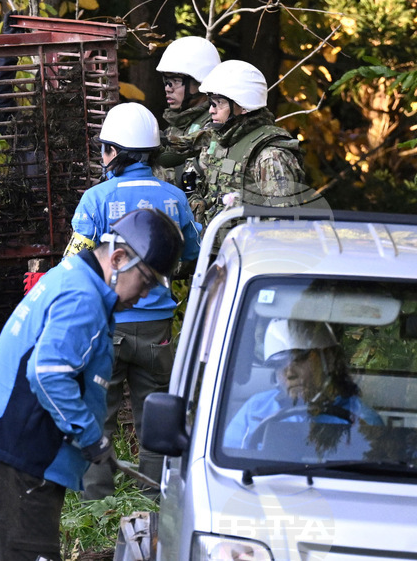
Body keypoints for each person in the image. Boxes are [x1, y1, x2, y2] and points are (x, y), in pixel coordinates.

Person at [0, 208, 184, 561]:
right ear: (120, 258)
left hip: (11, 459)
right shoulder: (82, 297)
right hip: (13, 463)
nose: (144, 296)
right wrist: (91, 437)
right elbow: (48, 374)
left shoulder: (73, 278)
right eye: (146, 282)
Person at [61, 102, 201, 499]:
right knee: (155, 414)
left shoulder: (96, 198)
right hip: (158, 328)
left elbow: (75, 262)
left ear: (116, 152)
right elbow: (192, 253)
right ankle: (155, 494)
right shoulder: (175, 198)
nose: (102, 156)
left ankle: (96, 498)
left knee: (98, 411)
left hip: (109, 326)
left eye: (105, 148)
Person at [224, 319, 383, 449]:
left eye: (298, 360)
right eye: (279, 365)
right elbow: (229, 467)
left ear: (328, 359)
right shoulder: (255, 409)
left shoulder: (362, 418)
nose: (289, 373)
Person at [183, 60, 307, 226]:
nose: (211, 110)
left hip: (248, 249)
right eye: (211, 102)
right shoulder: (220, 142)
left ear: (243, 107)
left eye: (219, 103)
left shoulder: (270, 155)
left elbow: (283, 225)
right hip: (212, 247)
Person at [154, 36, 220, 186]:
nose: (168, 88)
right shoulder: (180, 123)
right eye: (166, 81)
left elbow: (168, 160)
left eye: (176, 81)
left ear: (201, 83)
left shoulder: (215, 121)